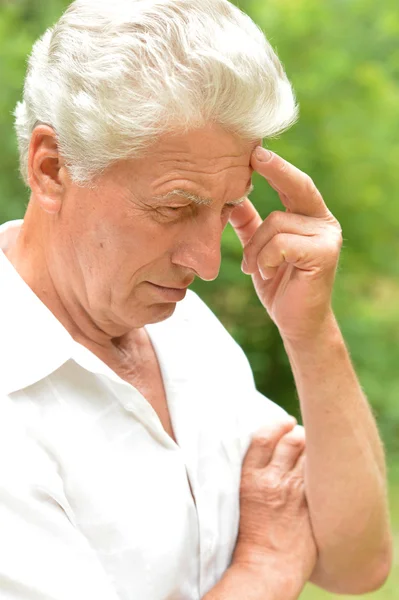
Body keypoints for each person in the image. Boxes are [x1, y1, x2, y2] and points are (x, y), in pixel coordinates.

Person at [0, 0, 392, 598]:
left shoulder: (176, 323)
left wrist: (311, 333)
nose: (207, 264)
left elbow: (355, 562)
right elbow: (294, 552)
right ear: (53, 168)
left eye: (227, 206)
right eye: (176, 206)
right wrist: (264, 567)